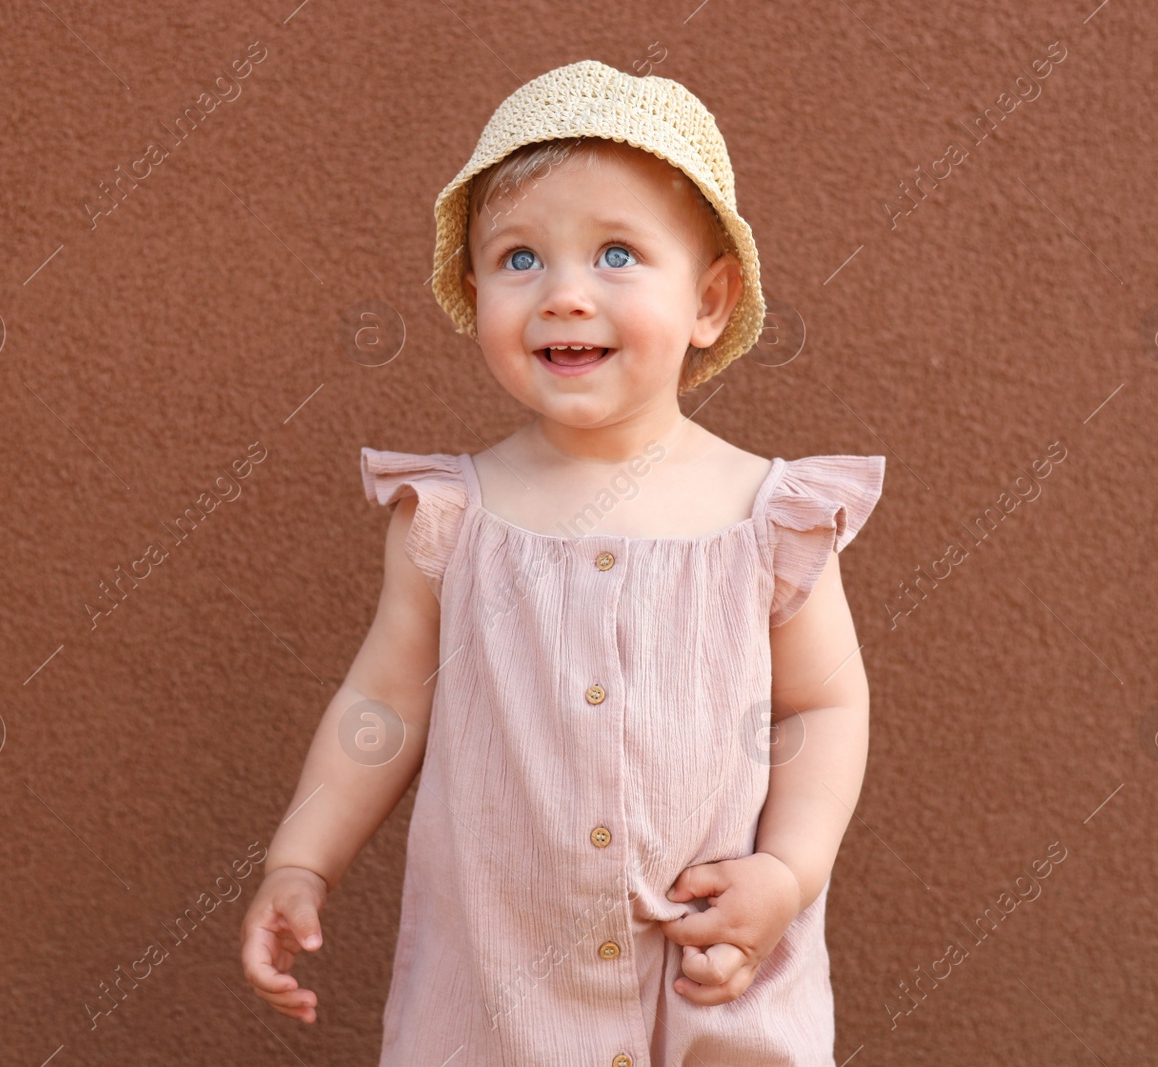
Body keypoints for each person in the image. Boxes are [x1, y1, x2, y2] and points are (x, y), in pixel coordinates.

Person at [240, 58, 886, 1066]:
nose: (565, 295)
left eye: (618, 254)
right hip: (502, 1007)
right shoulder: (452, 517)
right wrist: (301, 855)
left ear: (710, 300)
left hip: (713, 983)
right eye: (519, 259)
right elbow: (384, 701)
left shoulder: (771, 517)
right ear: (473, 290)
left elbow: (821, 707)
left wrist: (788, 872)